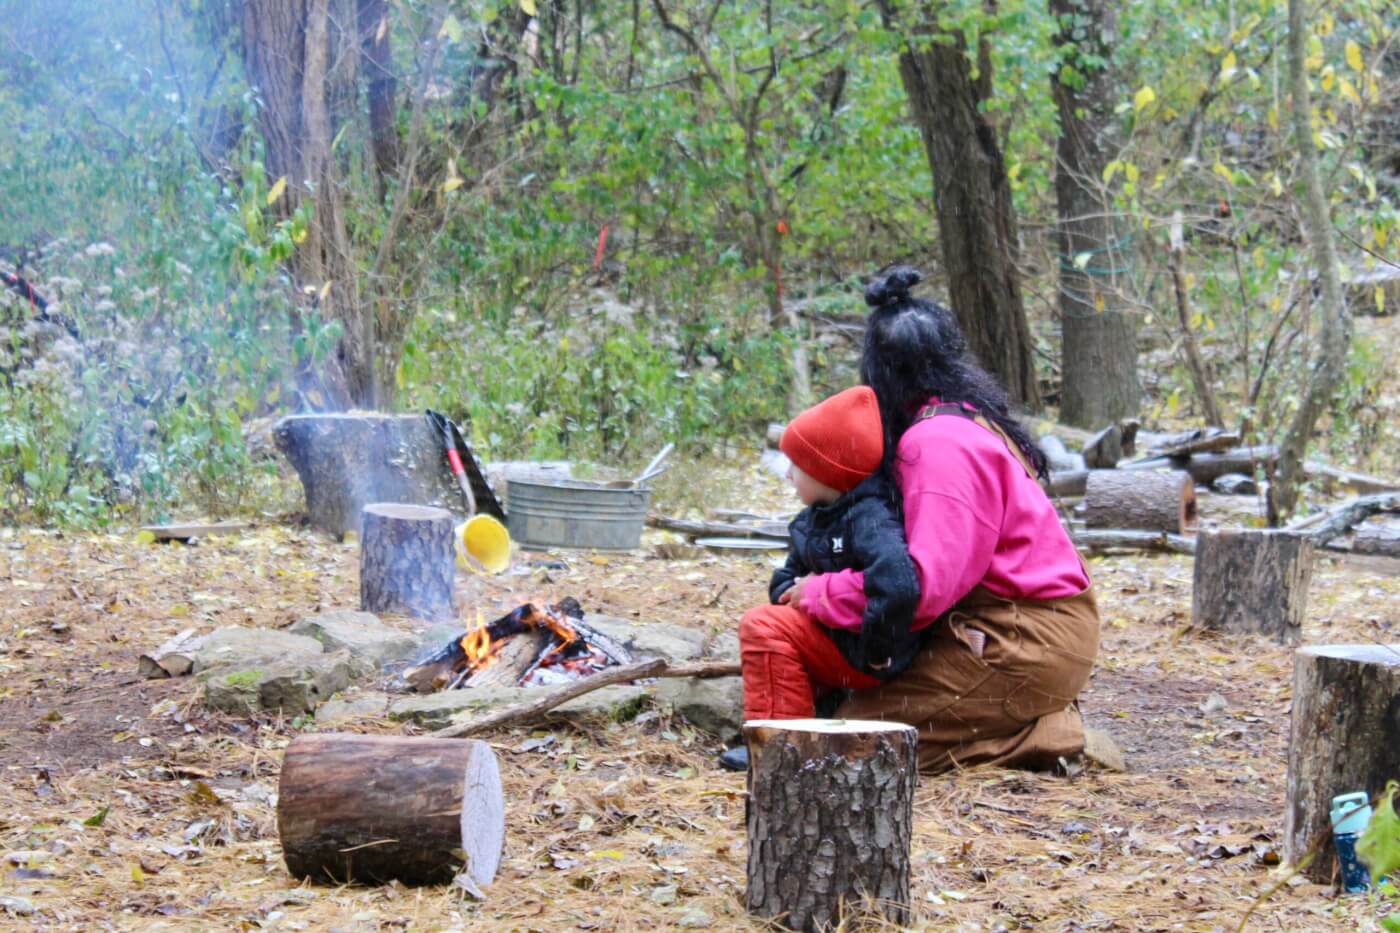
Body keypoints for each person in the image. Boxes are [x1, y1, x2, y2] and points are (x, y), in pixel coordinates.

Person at [737, 266, 1100, 774]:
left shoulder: (937, 443)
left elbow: (920, 588)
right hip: (1016, 631)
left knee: (854, 743)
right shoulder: (965, 416)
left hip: (1020, 641)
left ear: (878, 373)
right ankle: (1023, 713)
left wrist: (820, 592)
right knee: (842, 723)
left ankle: (1049, 733)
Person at [720, 386, 920, 772]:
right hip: (834, 638)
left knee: (761, 626)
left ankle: (781, 745)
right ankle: (804, 721)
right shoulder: (813, 520)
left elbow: (898, 584)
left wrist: (877, 649)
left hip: (864, 652)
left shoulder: (870, 520)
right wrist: (790, 591)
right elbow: (785, 576)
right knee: (773, 619)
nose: (788, 474)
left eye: (797, 466)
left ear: (828, 470)